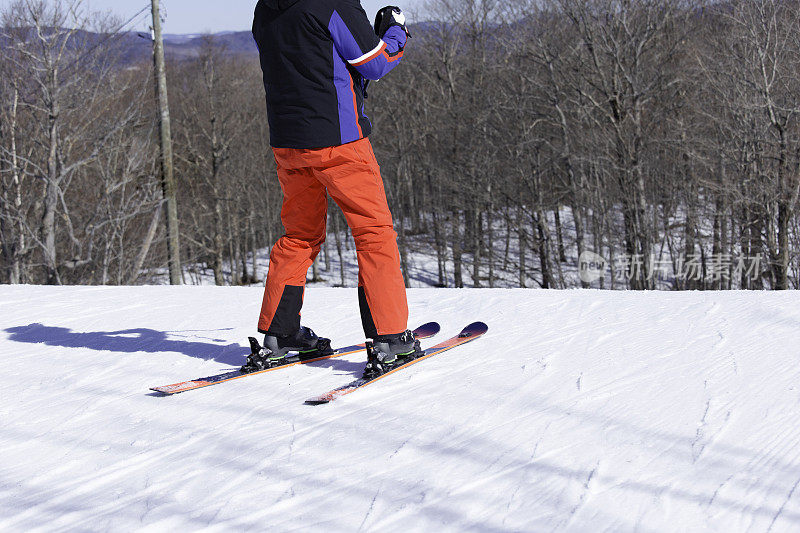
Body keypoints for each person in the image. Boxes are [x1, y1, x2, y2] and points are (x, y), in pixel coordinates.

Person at [244, 0, 416, 374]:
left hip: (288, 142)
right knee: (373, 233)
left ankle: (280, 335)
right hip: (339, 141)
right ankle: (390, 337)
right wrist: (396, 30)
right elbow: (375, 62)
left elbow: (302, 59)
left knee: (299, 236)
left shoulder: (265, 8)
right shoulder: (331, 3)